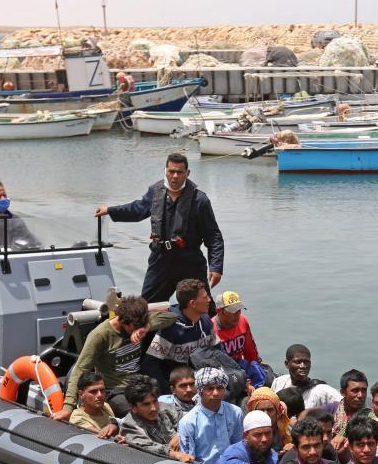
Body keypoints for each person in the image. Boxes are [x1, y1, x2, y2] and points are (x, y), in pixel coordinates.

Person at [95, 153, 225, 303]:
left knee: (204, 307)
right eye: (171, 171)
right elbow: (137, 209)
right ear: (165, 171)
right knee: (147, 308)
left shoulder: (200, 200)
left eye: (179, 172)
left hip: (189, 261)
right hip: (160, 260)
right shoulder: (155, 192)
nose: (175, 176)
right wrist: (111, 210)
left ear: (187, 173)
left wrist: (216, 267)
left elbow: (213, 236)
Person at [53, 295, 174, 421]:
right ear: (122, 320)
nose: (137, 330)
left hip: (138, 384)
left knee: (169, 410)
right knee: (142, 414)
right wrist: (68, 407)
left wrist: (146, 327)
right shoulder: (100, 335)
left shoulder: (139, 323)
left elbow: (171, 317)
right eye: (134, 327)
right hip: (114, 390)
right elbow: (81, 368)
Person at [143, 278, 222, 389]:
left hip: (202, 380)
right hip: (179, 386)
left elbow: (218, 350)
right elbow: (150, 363)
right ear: (193, 304)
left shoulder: (205, 320)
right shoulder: (171, 328)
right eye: (205, 297)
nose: (209, 300)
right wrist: (167, 390)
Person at [176, 366, 242, 464]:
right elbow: (188, 460)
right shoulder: (187, 422)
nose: (215, 393)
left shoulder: (236, 412)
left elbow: (239, 447)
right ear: (200, 391)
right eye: (210, 388)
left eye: (220, 388)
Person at [119, 375, 193, 463]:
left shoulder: (163, 408)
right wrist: (176, 454)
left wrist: (181, 434)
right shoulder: (130, 426)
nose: (153, 408)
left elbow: (188, 419)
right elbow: (147, 447)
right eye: (146, 404)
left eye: (154, 401)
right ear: (133, 407)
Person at [213, 291, 267, 388]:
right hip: (223, 371)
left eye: (239, 310)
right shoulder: (211, 330)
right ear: (219, 311)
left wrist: (256, 367)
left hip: (240, 364)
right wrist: (245, 381)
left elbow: (250, 350)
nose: (238, 314)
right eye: (233, 312)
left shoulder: (242, 320)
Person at [269, 344, 340, 409]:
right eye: (298, 362)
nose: (303, 366)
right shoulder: (279, 382)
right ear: (287, 364)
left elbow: (343, 404)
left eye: (306, 362)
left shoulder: (321, 390)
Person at [216, 411, 280, 464]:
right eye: (258, 435)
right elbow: (223, 463)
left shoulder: (273, 456)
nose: (264, 439)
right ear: (246, 436)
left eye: (267, 433)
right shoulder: (237, 450)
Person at [68, 370, 123, 442]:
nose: (100, 395)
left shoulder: (105, 406)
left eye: (102, 390)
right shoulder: (77, 419)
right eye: (93, 391)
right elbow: (102, 436)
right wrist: (115, 426)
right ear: (81, 394)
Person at [244, 387, 292, 451]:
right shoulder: (248, 433)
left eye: (269, 410)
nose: (265, 414)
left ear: (277, 412)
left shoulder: (287, 432)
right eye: (261, 410)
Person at [332, 369, 372, 438]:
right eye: (355, 390)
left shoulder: (371, 416)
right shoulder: (331, 410)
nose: (360, 395)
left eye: (364, 390)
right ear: (343, 392)